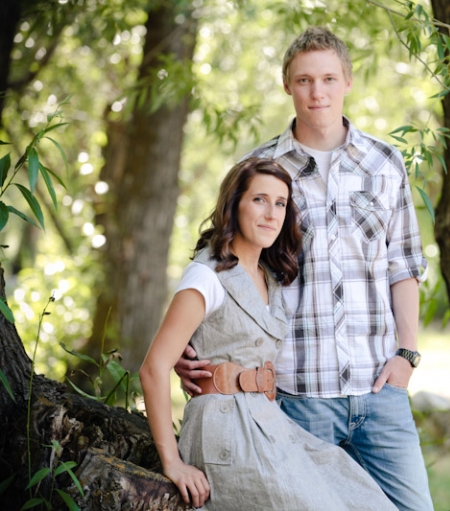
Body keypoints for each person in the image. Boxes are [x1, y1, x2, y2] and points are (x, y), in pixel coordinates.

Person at [176, 27, 433, 510]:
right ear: (287, 86)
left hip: (380, 390)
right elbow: (221, 261)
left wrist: (407, 355)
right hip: (296, 395)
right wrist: (182, 346)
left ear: (348, 82)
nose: (318, 92)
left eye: (329, 79)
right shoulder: (261, 168)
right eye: (305, 80)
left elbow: (404, 266)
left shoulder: (385, 163)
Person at [140, 157, 397, 510]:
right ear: (234, 205)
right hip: (225, 432)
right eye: (259, 200)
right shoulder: (207, 275)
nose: (271, 213)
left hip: (267, 421)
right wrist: (173, 462)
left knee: (364, 497)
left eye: (280, 203)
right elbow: (153, 368)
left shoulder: (268, 277)